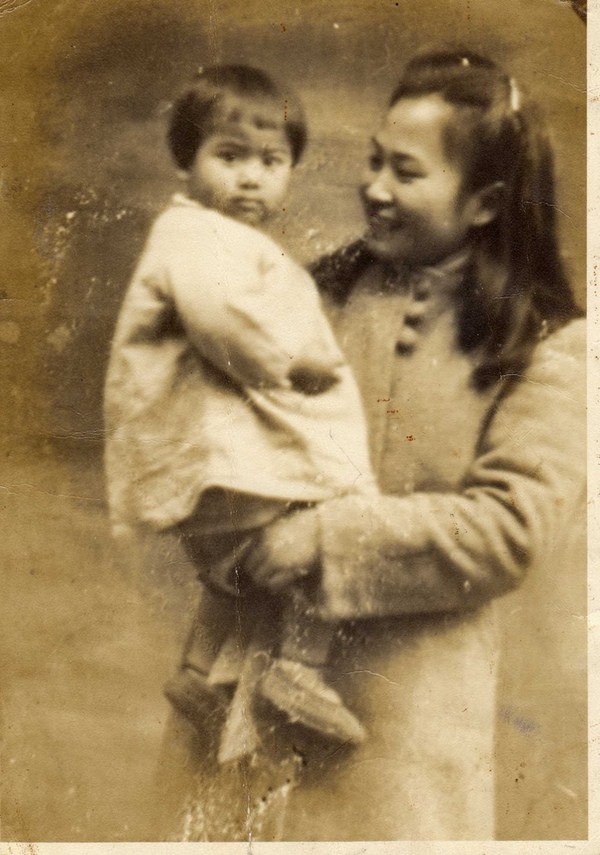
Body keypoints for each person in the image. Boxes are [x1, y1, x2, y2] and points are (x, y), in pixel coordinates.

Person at [155, 50, 586, 841]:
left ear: (486, 202)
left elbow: (509, 529)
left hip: (399, 735)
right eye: (375, 160)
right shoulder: (310, 295)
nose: (375, 188)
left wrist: (323, 539)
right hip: (238, 698)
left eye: (406, 172)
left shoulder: (547, 346)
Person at [104, 65, 379, 753]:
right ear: (187, 160)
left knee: (231, 575)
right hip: (223, 452)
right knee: (324, 523)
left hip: (210, 451)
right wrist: (287, 364)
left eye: (271, 161)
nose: (251, 178)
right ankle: (299, 668)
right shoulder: (195, 236)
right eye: (229, 157)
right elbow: (220, 316)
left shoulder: (213, 236)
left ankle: (197, 674)